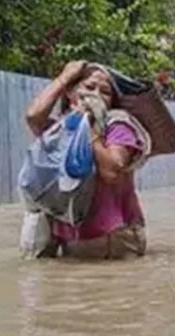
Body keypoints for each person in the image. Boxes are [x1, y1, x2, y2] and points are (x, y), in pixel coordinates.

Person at [23, 60, 148, 259]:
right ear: (71, 94)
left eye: (105, 92)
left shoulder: (118, 127)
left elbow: (111, 172)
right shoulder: (62, 130)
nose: (95, 95)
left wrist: (88, 125)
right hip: (74, 241)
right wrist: (64, 77)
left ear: (111, 102)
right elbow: (33, 117)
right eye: (89, 87)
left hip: (114, 240)